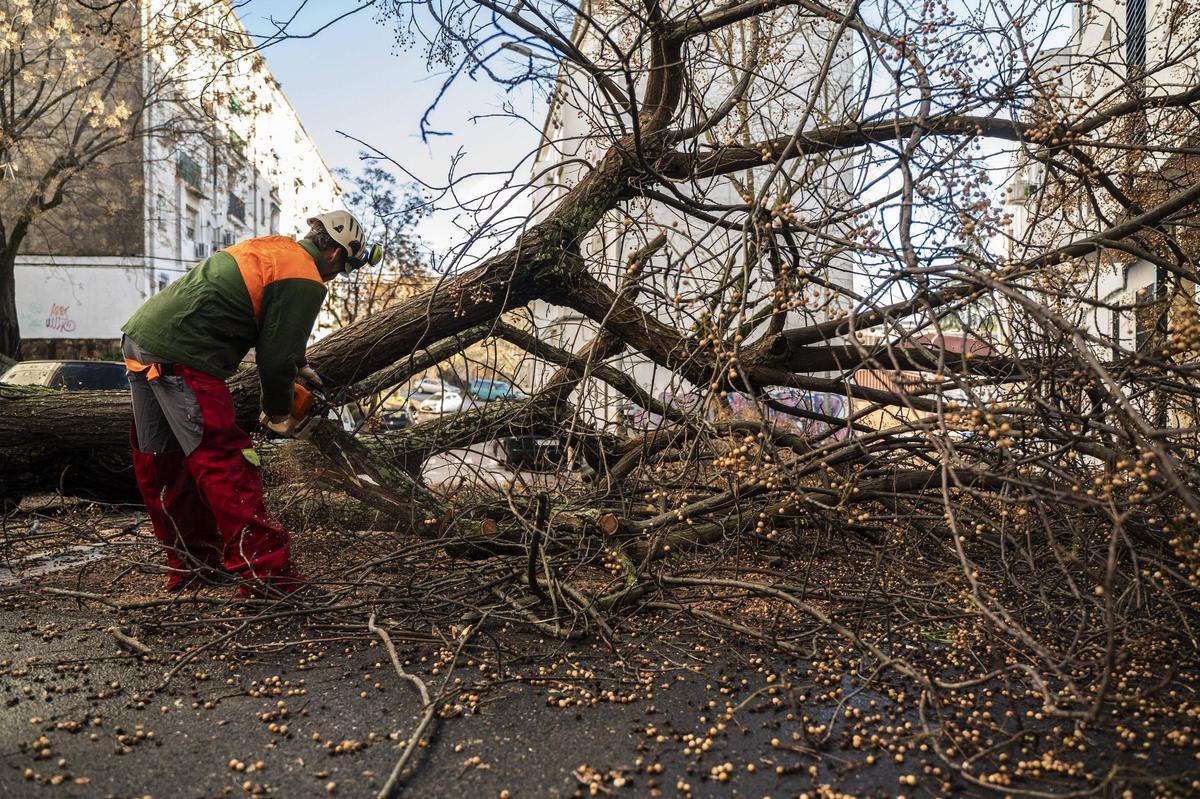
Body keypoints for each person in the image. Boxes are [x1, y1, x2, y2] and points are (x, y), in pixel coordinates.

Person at [120, 211, 382, 596]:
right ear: (335, 255)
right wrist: (278, 415)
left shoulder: (275, 249)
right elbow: (273, 361)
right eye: (343, 268)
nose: (336, 275)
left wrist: (300, 364)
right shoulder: (307, 276)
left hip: (140, 341)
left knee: (165, 465)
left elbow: (268, 325)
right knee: (226, 462)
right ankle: (269, 576)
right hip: (184, 354)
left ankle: (194, 568)